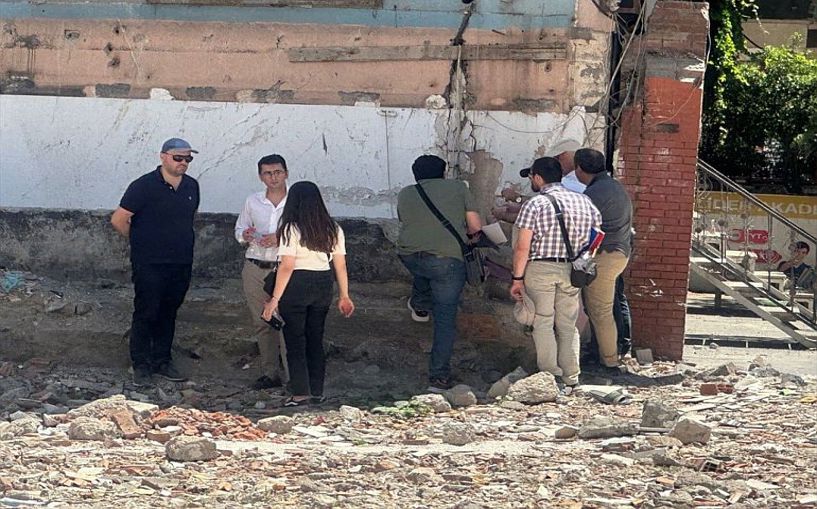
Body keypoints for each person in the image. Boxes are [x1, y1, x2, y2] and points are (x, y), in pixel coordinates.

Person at [111, 138, 200, 386]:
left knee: (169, 311)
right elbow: (119, 219)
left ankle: (162, 360)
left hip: (181, 261)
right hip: (150, 262)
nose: (183, 162)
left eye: (188, 158)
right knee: (147, 311)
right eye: (178, 157)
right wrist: (141, 242)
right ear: (163, 157)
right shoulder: (143, 186)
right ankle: (141, 364)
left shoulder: (191, 186)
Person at [509, 157, 601, 390]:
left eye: (531, 177)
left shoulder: (535, 204)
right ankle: (571, 376)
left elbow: (522, 247)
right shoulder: (585, 201)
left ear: (538, 178)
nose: (531, 181)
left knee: (542, 322)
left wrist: (517, 278)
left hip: (541, 268)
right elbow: (597, 237)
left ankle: (550, 376)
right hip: (573, 270)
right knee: (568, 324)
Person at [261, 181, 354, 407]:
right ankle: (317, 391)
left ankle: (300, 393)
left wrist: (274, 299)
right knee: (315, 339)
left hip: (297, 283)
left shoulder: (291, 228)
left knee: (295, 340)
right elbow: (340, 264)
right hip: (323, 282)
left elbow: (287, 265)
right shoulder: (333, 228)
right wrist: (344, 295)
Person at [396, 155, 482, 392]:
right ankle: (439, 377)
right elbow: (475, 226)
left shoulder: (405, 193)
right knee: (445, 319)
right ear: (443, 173)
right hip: (447, 261)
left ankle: (420, 303)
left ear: (416, 175)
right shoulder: (459, 188)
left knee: (423, 269)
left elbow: (406, 220)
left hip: (409, 255)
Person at [235, 154, 291, 390]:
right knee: (262, 321)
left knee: (288, 322)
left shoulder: (296, 201)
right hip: (256, 265)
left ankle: (293, 376)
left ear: (286, 173)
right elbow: (239, 229)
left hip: (285, 267)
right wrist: (245, 234)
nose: (273, 177)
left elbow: (307, 233)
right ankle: (270, 373)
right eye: (268, 173)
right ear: (261, 177)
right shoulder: (253, 201)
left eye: (277, 172)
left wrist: (281, 238)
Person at [574, 148, 633, 371]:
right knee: (603, 308)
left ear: (579, 169)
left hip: (605, 256)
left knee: (600, 311)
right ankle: (603, 354)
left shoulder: (594, 193)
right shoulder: (614, 186)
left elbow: (579, 225)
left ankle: (609, 361)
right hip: (618, 252)